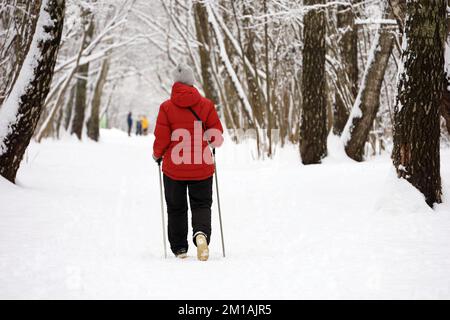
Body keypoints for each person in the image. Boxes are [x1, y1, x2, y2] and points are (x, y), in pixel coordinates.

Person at [153, 63, 224, 261]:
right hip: (201, 167)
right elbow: (216, 137)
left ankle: (180, 249)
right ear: (192, 82)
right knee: (201, 204)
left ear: (175, 83)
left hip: (173, 169)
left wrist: (157, 155)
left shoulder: (166, 107)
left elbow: (162, 139)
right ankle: (201, 235)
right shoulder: (206, 105)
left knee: (176, 208)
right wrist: (212, 142)